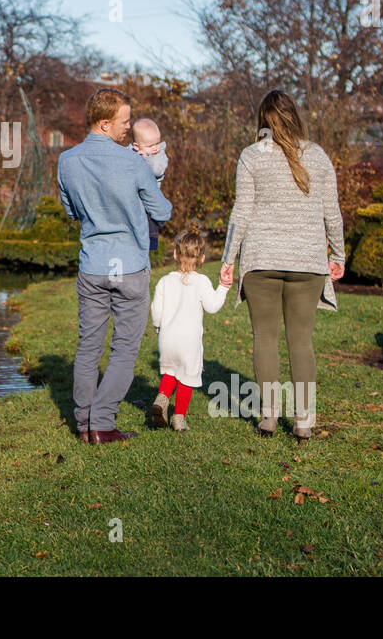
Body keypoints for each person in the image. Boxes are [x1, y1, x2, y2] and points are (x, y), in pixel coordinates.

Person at [218, 90, 345, 441]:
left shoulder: (251, 156)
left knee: (265, 338)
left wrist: (228, 259)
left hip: (261, 260)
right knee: (301, 341)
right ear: (295, 116)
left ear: (262, 121)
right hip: (307, 261)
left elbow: (240, 212)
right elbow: (331, 212)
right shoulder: (317, 156)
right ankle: (304, 421)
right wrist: (339, 256)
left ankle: (269, 416)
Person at [57, 88, 172, 444]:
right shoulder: (133, 162)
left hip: (93, 264)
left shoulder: (67, 160)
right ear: (105, 123)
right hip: (131, 266)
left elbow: (72, 212)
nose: (128, 129)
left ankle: (83, 423)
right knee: (124, 347)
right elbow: (163, 212)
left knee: (88, 346)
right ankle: (102, 423)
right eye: (124, 122)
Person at [149, 230, 230, 431]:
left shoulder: (165, 281)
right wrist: (223, 287)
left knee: (170, 372)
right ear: (202, 258)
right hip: (190, 342)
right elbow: (212, 306)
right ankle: (179, 418)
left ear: (176, 254)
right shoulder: (201, 281)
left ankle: (162, 397)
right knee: (187, 378)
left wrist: (158, 327)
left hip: (167, 338)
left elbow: (156, 311)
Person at [130, 117, 169, 252]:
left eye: (157, 143)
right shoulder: (129, 152)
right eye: (150, 145)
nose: (155, 148)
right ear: (136, 146)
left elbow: (157, 170)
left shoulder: (159, 155)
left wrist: (146, 157)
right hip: (133, 197)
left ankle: (151, 241)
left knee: (149, 222)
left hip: (149, 198)